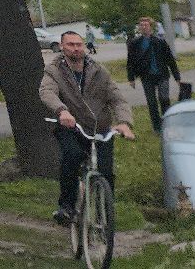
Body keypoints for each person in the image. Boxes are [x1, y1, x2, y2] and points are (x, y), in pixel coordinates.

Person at [39, 30, 136, 225]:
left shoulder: (99, 71)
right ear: (62, 46)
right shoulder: (54, 70)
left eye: (79, 44)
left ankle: (104, 217)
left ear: (84, 46)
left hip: (100, 129)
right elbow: (47, 91)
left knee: (106, 172)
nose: (75, 48)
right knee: (72, 156)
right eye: (70, 45)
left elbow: (117, 99)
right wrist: (62, 111)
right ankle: (66, 206)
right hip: (72, 127)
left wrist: (124, 122)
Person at [126, 16, 183, 133]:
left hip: (162, 75)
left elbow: (170, 60)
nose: (143, 27)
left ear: (151, 27)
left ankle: (167, 123)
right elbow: (130, 61)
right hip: (146, 77)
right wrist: (131, 78)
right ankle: (157, 127)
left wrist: (177, 77)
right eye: (141, 25)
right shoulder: (135, 43)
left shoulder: (160, 42)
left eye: (146, 25)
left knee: (164, 99)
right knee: (151, 102)